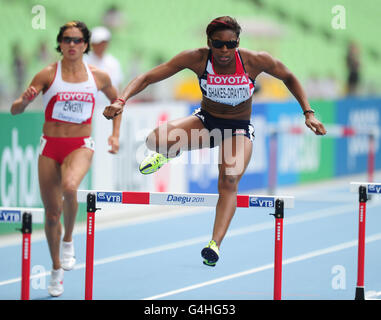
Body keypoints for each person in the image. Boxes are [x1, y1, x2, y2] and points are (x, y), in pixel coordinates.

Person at [103, 16, 327, 267]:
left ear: (238, 43)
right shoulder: (197, 58)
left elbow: (289, 77)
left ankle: (214, 244)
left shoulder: (255, 60)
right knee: (154, 140)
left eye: (230, 45)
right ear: (208, 42)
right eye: (218, 44)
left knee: (229, 179)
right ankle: (169, 152)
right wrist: (121, 100)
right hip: (207, 123)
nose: (223, 50)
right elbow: (148, 78)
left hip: (237, 130)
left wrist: (308, 113)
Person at [11, 21, 120, 297]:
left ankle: (69, 240)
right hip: (50, 147)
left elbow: (117, 104)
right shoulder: (48, 73)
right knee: (51, 215)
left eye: (77, 40)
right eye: (67, 40)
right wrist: (24, 101)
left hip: (80, 144)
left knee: (71, 187)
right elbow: (15, 110)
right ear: (60, 43)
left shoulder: (98, 76)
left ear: (86, 45)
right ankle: (56, 269)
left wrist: (114, 135)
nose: (72, 45)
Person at [85, 26, 123, 189]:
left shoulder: (113, 63)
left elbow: (117, 91)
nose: (100, 45)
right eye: (97, 42)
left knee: (106, 149)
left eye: (103, 42)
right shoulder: (84, 62)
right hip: (88, 111)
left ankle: (104, 185)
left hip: (107, 111)